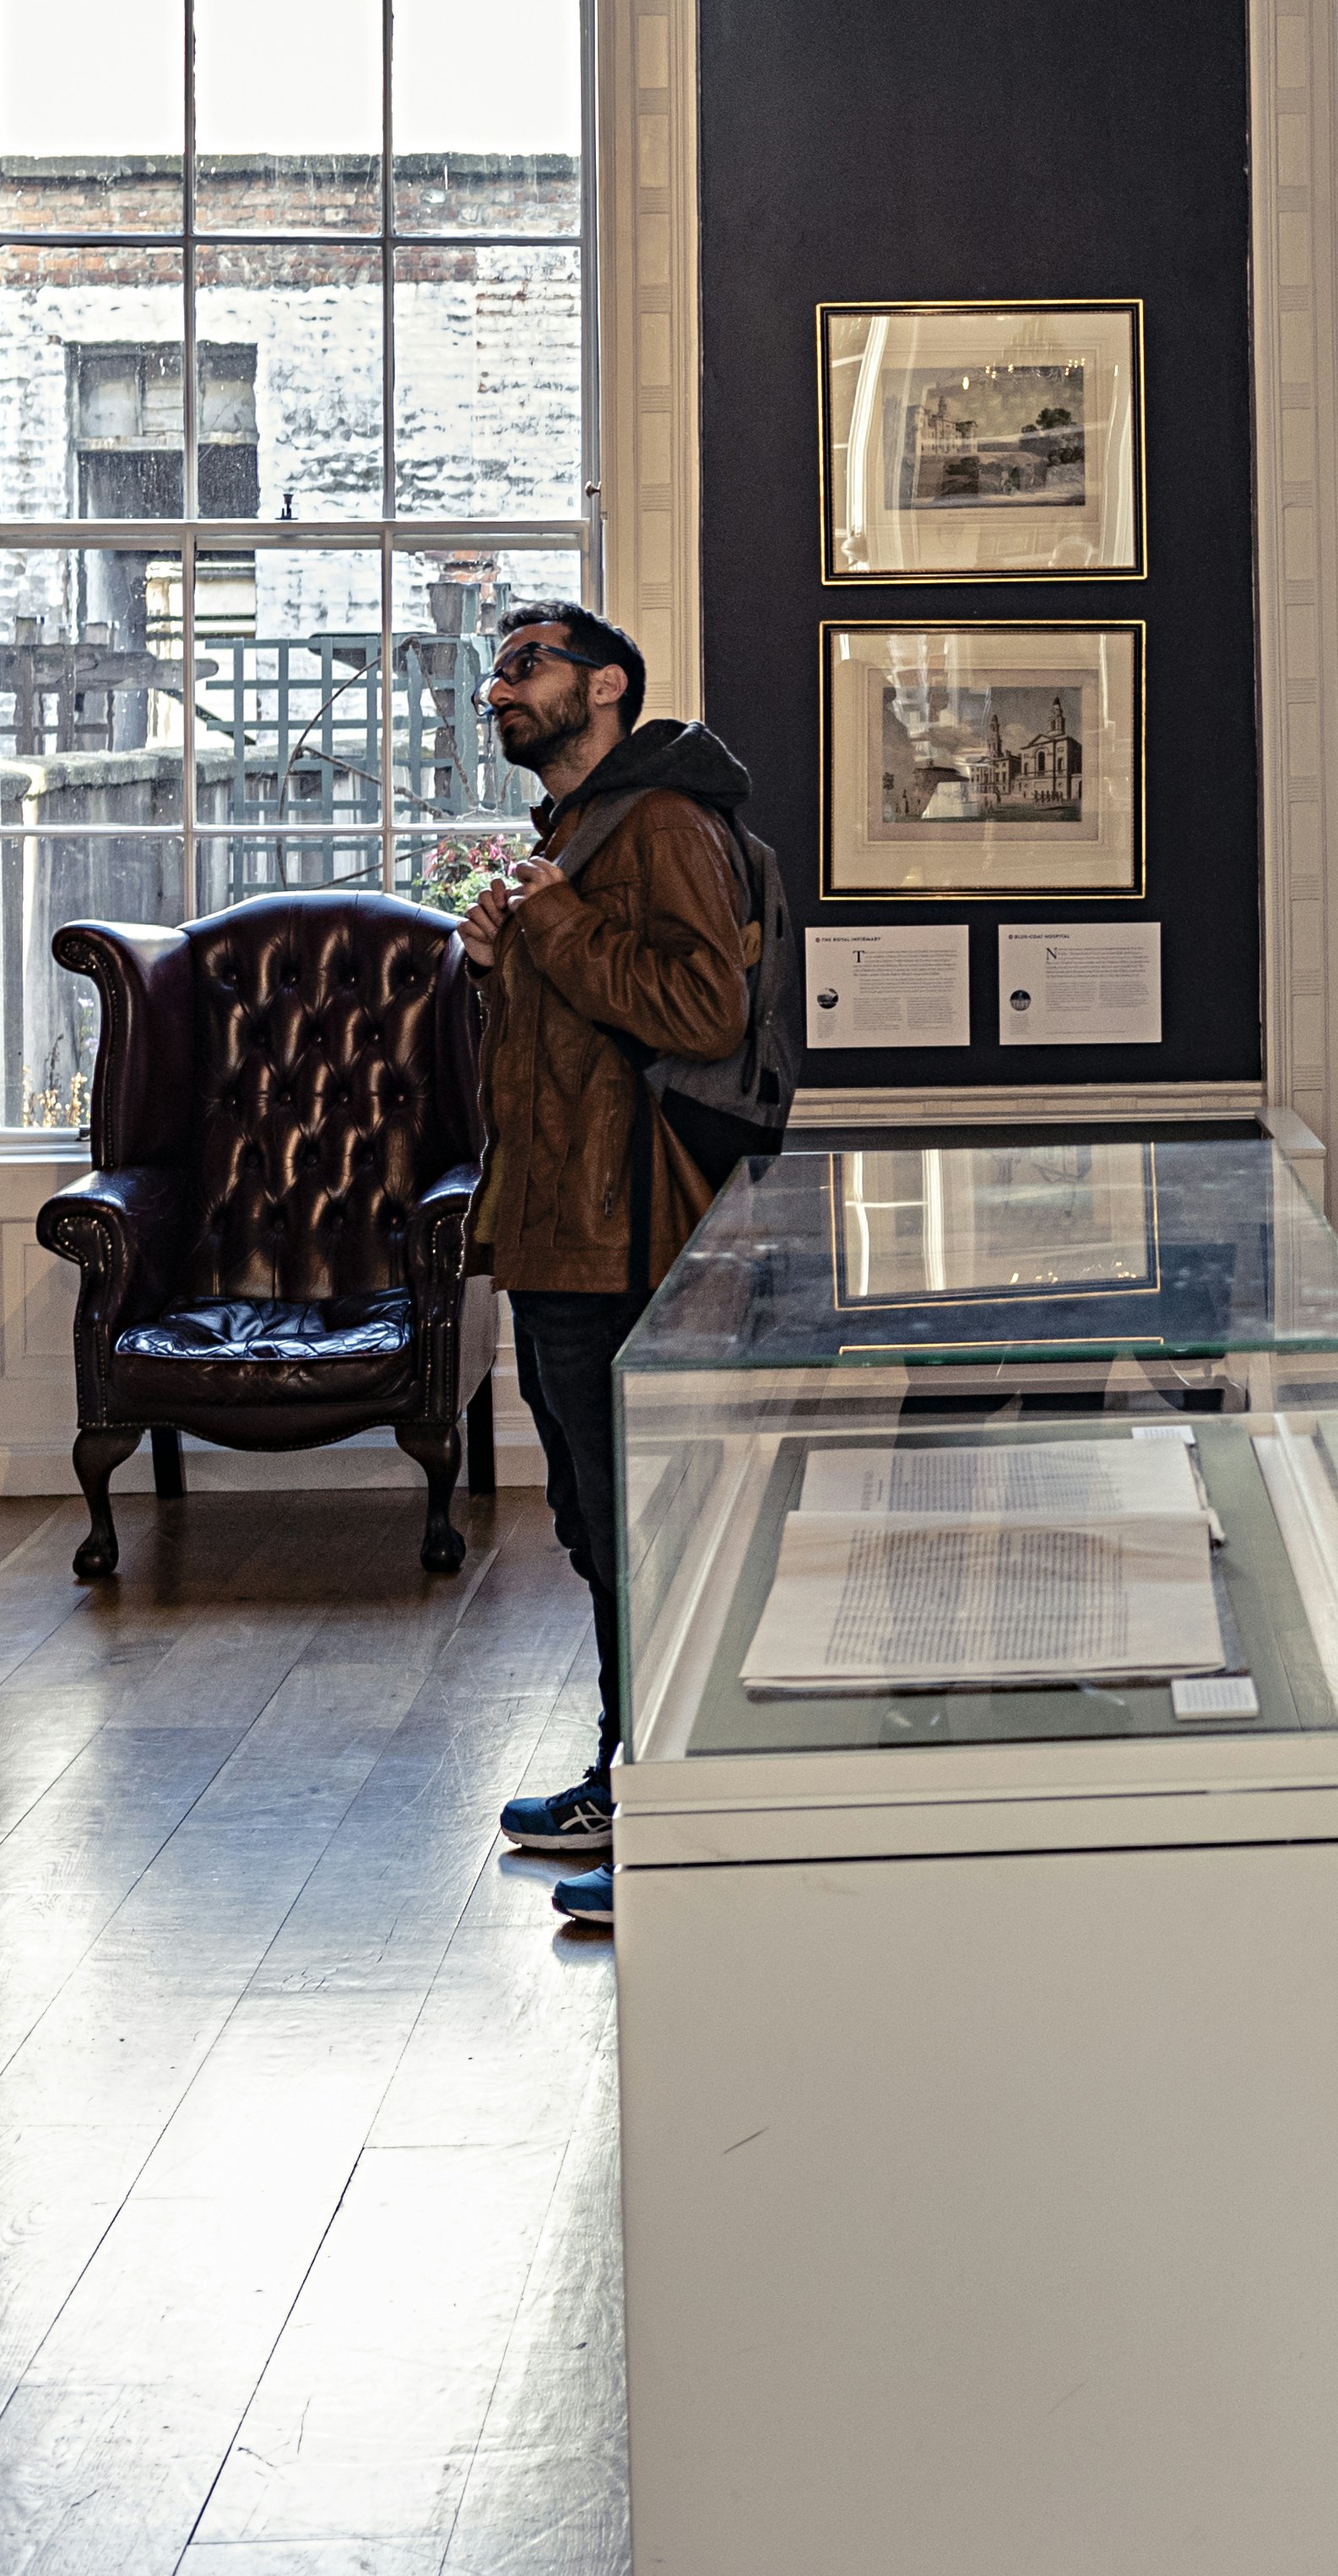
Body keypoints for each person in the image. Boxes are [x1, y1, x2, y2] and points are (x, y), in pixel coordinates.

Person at [459, 602, 762, 1929]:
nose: (498, 690)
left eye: (526, 664)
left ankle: (677, 1822)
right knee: (598, 1531)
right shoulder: (578, 842)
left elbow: (705, 1011)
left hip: (632, 1238)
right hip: (560, 1234)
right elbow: (571, 1052)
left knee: (649, 1538)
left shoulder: (666, 826)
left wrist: (560, 928)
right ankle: (627, 1781)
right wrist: (501, 959)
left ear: (611, 686)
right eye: (494, 670)